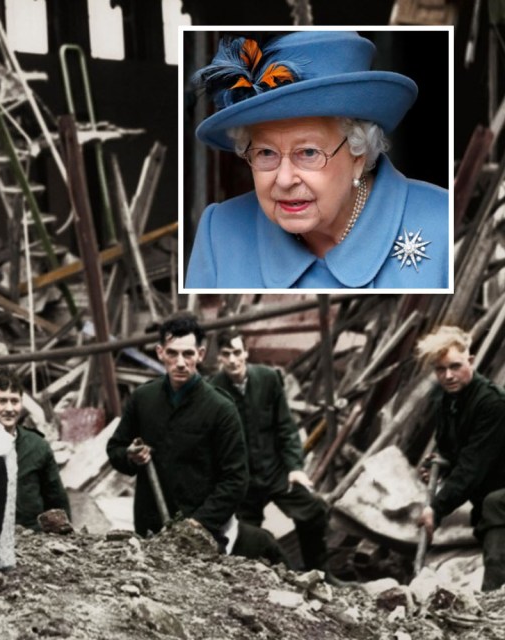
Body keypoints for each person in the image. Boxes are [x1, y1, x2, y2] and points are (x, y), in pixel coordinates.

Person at [185, 31, 448, 289]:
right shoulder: (219, 234)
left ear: (359, 154)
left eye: (309, 153)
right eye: (266, 152)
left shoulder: (442, 223)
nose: (285, 179)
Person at [106, 314, 286, 564]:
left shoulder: (220, 408)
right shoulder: (143, 399)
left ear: (201, 355)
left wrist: (197, 524)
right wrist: (130, 456)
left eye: (188, 354)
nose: (180, 363)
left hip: (202, 533)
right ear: (160, 352)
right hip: (151, 527)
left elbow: (235, 479)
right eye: (172, 353)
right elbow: (115, 449)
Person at [210, 329, 331, 572]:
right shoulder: (212, 391)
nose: (233, 360)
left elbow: (286, 427)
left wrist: (295, 468)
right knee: (247, 539)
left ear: (246, 352)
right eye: (226, 354)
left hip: (274, 472)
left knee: (314, 509)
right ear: (219, 358)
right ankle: (271, 580)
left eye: (237, 352)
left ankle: (319, 574)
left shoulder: (268, 379)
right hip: (243, 482)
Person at [415, 326, 505, 591]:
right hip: (491, 493)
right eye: (440, 369)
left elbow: (472, 466)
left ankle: (494, 606)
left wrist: (438, 508)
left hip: (498, 498)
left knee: (494, 506)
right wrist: (439, 468)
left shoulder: (492, 404)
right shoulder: (449, 400)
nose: (448, 375)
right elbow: (454, 453)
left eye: (455, 366)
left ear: (471, 361)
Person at [0, 369, 71, 531]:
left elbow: (56, 500)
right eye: (1, 401)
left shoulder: (37, 446)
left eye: (15, 401)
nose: (9, 408)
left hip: (31, 539)